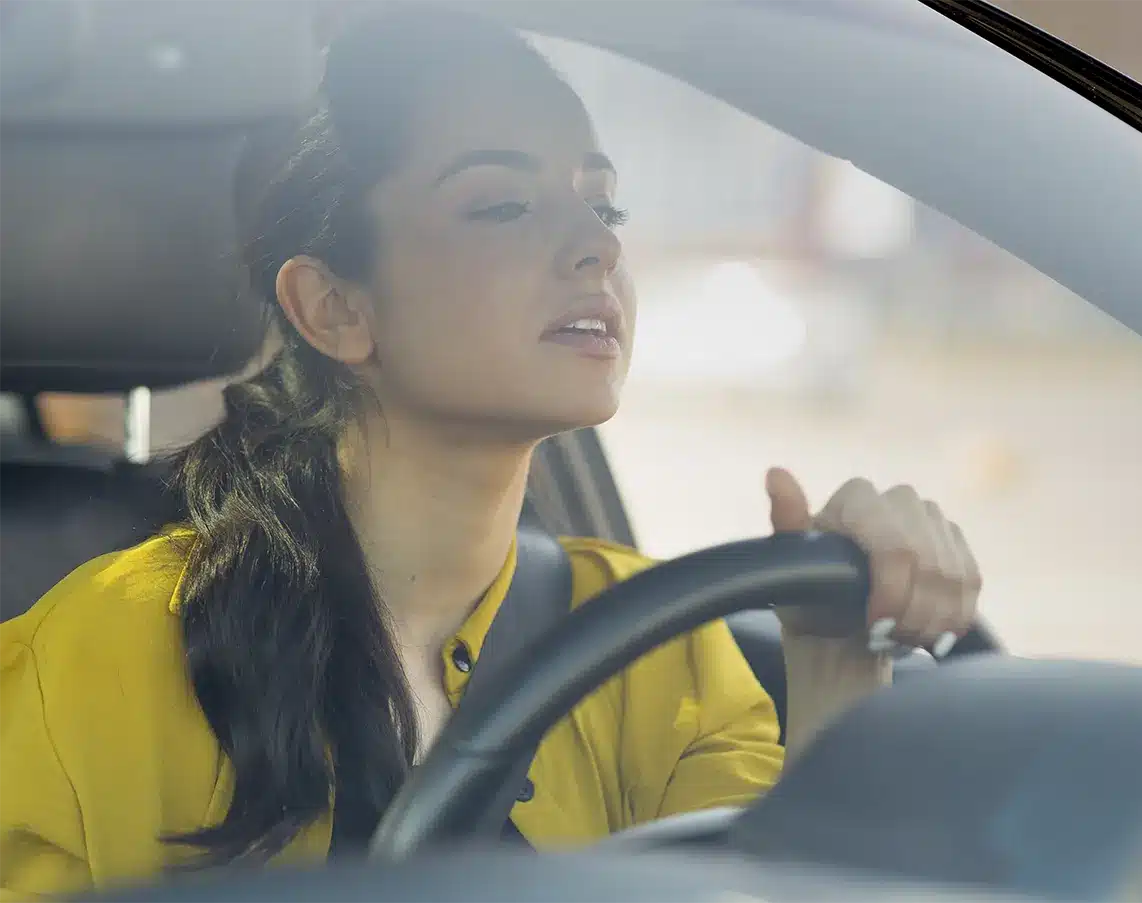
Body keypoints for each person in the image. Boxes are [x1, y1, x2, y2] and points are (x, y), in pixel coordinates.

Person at [0, 10, 980, 896]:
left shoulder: (665, 650)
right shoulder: (86, 663)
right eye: (502, 205)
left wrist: (838, 668)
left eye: (605, 205)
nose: (597, 247)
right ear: (335, 308)